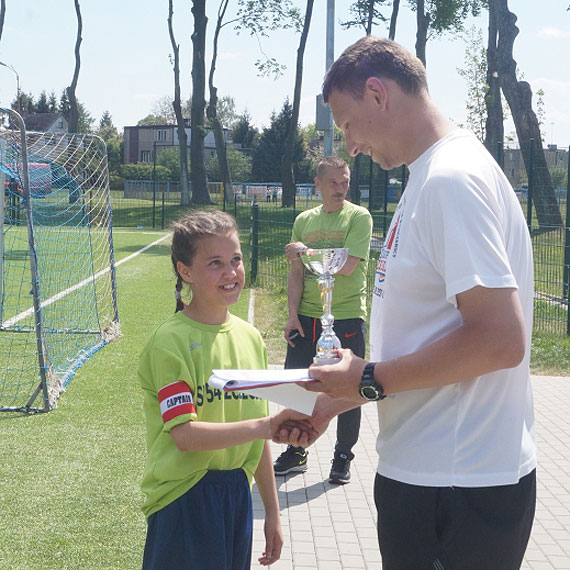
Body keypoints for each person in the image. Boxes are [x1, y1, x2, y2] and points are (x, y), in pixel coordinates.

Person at [280, 36, 536, 570]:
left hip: (455, 487)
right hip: (439, 480)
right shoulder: (434, 176)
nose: (348, 146)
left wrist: (368, 377)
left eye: (347, 124)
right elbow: (427, 339)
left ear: (377, 93)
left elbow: (499, 339)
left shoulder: (451, 180)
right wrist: (335, 401)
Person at [139, 210, 309, 570]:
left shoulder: (249, 337)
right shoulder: (171, 341)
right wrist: (267, 426)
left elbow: (260, 430)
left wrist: (272, 514)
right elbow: (185, 435)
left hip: (236, 494)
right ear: (185, 271)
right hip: (184, 498)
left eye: (236, 259)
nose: (231, 272)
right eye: (215, 263)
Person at [273, 156, 373, 484]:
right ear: (317, 184)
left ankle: (343, 455)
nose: (341, 188)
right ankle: (296, 449)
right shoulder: (304, 220)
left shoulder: (359, 217)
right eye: (333, 182)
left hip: (344, 316)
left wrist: (303, 251)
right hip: (307, 317)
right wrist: (292, 316)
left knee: (347, 390)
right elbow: (296, 273)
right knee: (296, 387)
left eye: (345, 182)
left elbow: (346, 266)